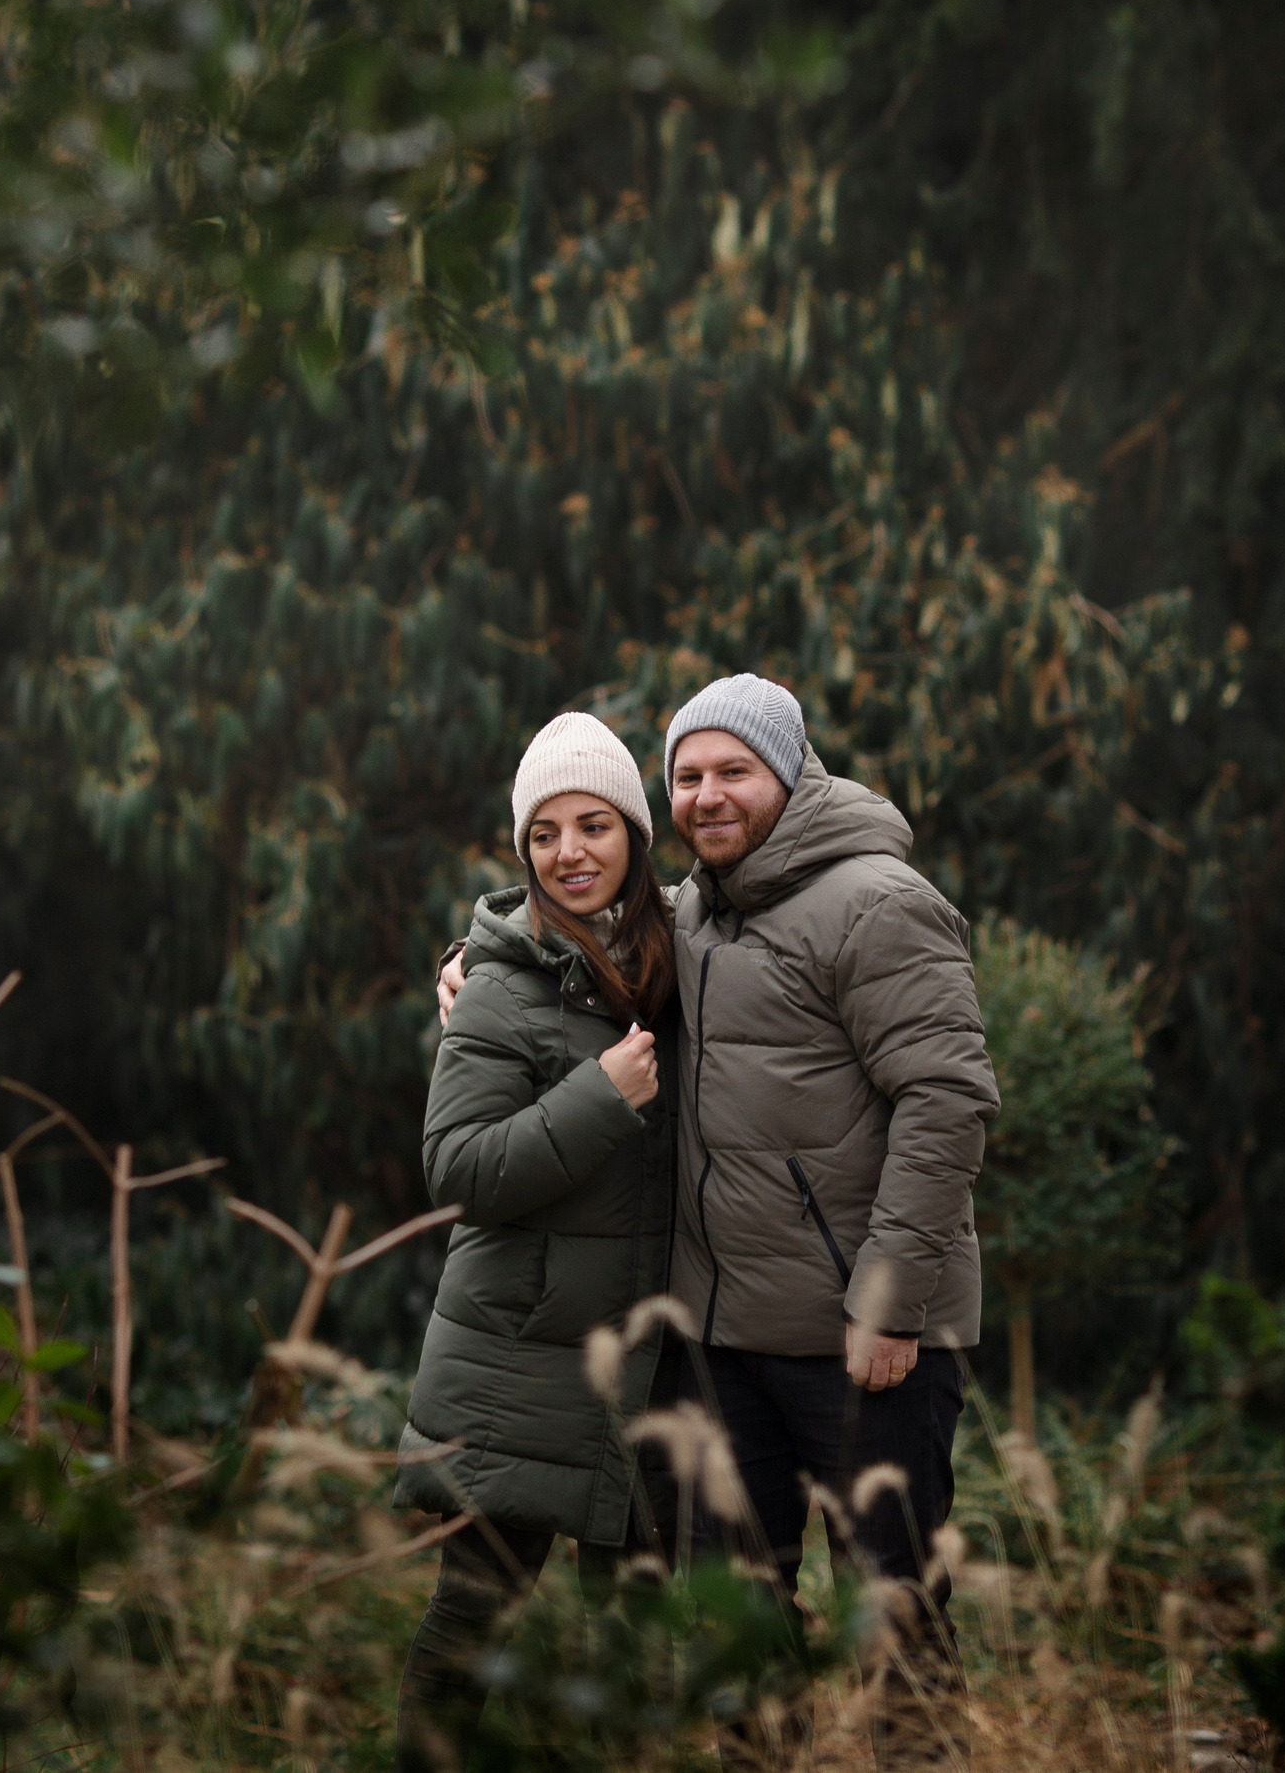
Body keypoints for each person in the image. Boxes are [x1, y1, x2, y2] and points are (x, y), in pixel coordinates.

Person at [439, 674, 999, 1768]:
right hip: (725, 1348)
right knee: (739, 1628)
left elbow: (948, 1098)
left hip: (865, 1344)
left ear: (789, 773)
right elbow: (559, 956)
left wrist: (887, 1302)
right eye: (686, 776)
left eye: (732, 770)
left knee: (896, 1620)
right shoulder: (691, 915)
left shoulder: (876, 900)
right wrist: (466, 970)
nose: (707, 795)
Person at [392, 711, 683, 1773]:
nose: (570, 852)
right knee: (469, 1629)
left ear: (633, 835)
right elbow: (458, 1169)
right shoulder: (497, 987)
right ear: (522, 852)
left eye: (593, 824)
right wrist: (598, 1099)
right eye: (545, 832)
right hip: (519, 1357)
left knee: (630, 1655)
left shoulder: (680, 957)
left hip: (650, 1369)